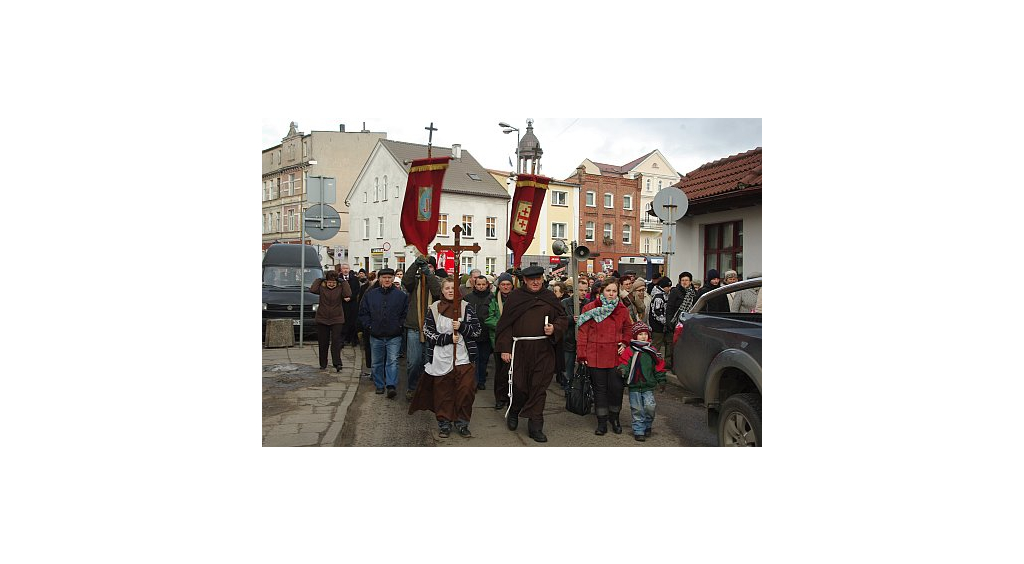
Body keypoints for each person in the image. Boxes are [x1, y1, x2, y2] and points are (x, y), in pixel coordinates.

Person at [494, 265, 569, 442]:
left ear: (542, 279)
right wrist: (505, 348)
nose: (535, 282)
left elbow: (562, 318)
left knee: (539, 388)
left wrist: (554, 328)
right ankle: (514, 410)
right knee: (520, 386)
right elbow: (505, 324)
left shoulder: (549, 297)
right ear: (525, 281)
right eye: (531, 279)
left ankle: (536, 426)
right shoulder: (516, 297)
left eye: (538, 278)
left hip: (543, 349)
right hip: (520, 349)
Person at [409, 277, 482, 438]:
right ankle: (444, 423)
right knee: (443, 393)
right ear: (442, 290)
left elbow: (477, 331)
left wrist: (462, 327)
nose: (450, 291)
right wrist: (447, 339)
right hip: (441, 358)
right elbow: (428, 331)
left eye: (453, 288)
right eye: (447, 288)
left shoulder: (466, 307)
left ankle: (462, 422)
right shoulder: (434, 308)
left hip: (463, 359)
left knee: (466, 391)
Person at [576, 277, 633, 436]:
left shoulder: (622, 309)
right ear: (601, 291)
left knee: (616, 389)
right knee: (599, 390)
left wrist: (625, 342)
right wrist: (581, 354)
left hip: (615, 355)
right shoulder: (589, 308)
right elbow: (582, 333)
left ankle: (615, 419)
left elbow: (629, 329)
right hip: (595, 354)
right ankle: (602, 422)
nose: (611, 294)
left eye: (614, 291)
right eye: (608, 290)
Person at [357, 268, 408, 398]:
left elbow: (405, 313)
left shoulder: (401, 296)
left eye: (389, 278)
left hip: (394, 334)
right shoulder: (371, 295)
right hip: (376, 334)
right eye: (384, 277)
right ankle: (379, 384)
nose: (387, 280)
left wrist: (399, 325)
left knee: (392, 361)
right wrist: (369, 326)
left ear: (393, 279)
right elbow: (363, 312)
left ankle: (391, 385)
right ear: (379, 279)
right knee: (377, 362)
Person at [617, 321, 667, 442]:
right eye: (640, 334)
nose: (643, 336)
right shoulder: (629, 350)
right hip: (634, 386)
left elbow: (659, 367)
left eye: (645, 334)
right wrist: (623, 370)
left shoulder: (652, 351)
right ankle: (639, 430)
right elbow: (624, 363)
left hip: (648, 386)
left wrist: (662, 380)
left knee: (650, 407)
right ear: (635, 336)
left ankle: (647, 425)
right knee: (637, 409)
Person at [402, 256, 442, 401]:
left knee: (429, 361)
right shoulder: (415, 282)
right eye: (425, 266)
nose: (427, 269)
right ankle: (412, 387)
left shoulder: (437, 281)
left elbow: (437, 292)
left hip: (433, 328)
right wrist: (414, 265)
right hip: (414, 327)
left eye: (430, 266)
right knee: (414, 362)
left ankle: (426, 389)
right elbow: (405, 281)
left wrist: (428, 274)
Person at [309, 270, 353, 372]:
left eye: (333, 283)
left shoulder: (340, 288)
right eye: (329, 282)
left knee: (336, 342)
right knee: (323, 342)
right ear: (326, 282)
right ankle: (323, 363)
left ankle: (337, 363)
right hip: (322, 318)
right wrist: (320, 279)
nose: (331, 284)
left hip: (337, 318)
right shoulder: (322, 288)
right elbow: (312, 289)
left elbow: (348, 294)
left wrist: (343, 282)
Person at [485, 272, 516, 409]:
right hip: (498, 340)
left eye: (508, 284)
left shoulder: (517, 299)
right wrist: (503, 325)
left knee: (514, 371)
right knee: (501, 372)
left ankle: (511, 396)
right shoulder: (492, 300)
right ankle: (500, 398)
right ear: (499, 286)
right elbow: (488, 318)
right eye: (503, 284)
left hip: (515, 339)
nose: (505, 287)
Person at [463, 274, 494, 391]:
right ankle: (474, 382)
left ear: (487, 285)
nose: (481, 287)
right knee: (474, 358)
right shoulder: (468, 298)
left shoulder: (492, 297)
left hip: (486, 333)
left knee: (484, 359)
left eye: (483, 284)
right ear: (474, 285)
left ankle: (481, 381)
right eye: (479, 284)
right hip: (472, 334)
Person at [561, 278, 590, 390]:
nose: (583, 293)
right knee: (568, 369)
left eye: (585, 290)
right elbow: (559, 319)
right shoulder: (565, 303)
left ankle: (583, 391)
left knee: (585, 369)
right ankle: (568, 391)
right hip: (568, 340)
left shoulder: (589, 304)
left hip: (584, 342)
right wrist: (570, 319)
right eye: (581, 290)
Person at [664, 272, 697, 370]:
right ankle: (673, 366)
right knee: (675, 346)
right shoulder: (675, 291)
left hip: (689, 323)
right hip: (676, 322)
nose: (684, 282)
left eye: (686, 280)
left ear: (690, 281)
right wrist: (669, 321)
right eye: (682, 280)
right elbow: (669, 308)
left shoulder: (694, 293)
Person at [647, 277, 674, 369]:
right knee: (656, 345)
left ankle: (667, 364)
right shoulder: (658, 297)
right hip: (658, 327)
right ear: (663, 287)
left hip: (664, 326)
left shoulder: (666, 295)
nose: (669, 288)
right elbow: (657, 313)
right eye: (668, 286)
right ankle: (651, 364)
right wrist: (666, 322)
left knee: (669, 344)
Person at [334, 263, 361, 347]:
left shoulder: (355, 279)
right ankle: (342, 339)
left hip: (352, 303)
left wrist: (351, 297)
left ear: (349, 269)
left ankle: (353, 339)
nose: (345, 270)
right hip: (342, 303)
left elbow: (357, 290)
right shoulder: (338, 279)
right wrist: (343, 297)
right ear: (341, 270)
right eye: (344, 268)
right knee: (343, 321)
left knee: (352, 321)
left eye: (347, 268)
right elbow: (336, 290)